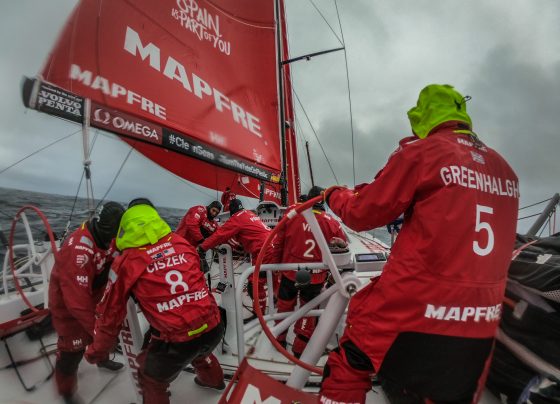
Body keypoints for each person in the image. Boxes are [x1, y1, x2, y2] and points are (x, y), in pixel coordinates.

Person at [319, 84, 519, 403]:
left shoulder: (421, 153)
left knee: (349, 363)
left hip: (417, 306)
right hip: (482, 317)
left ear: (421, 116)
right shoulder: (506, 170)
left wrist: (333, 195)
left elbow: (361, 212)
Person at [84, 202, 225, 404]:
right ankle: (214, 382)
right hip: (214, 326)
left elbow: (110, 315)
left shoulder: (126, 261)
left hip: (177, 341)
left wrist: (97, 352)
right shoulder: (181, 242)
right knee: (201, 348)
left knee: (149, 377)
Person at [48, 201, 125, 402]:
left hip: (95, 296)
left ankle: (102, 359)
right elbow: (77, 302)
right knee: (71, 352)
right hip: (68, 304)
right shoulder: (78, 250)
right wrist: (99, 333)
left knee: (103, 333)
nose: (115, 239)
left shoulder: (111, 238)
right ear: (105, 228)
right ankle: (66, 391)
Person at [266, 186, 347, 358]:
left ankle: (279, 339)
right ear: (323, 201)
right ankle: (299, 349)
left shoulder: (292, 214)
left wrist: (275, 266)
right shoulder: (331, 222)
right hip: (315, 277)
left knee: (284, 306)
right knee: (308, 312)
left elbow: (278, 242)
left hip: (289, 273)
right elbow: (342, 246)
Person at [199, 199, 271, 312]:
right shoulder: (249, 213)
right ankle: (275, 302)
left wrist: (202, 248)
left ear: (231, 211)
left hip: (263, 251)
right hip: (269, 245)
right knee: (274, 277)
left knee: (254, 285)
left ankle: (259, 312)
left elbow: (219, 235)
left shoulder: (237, 218)